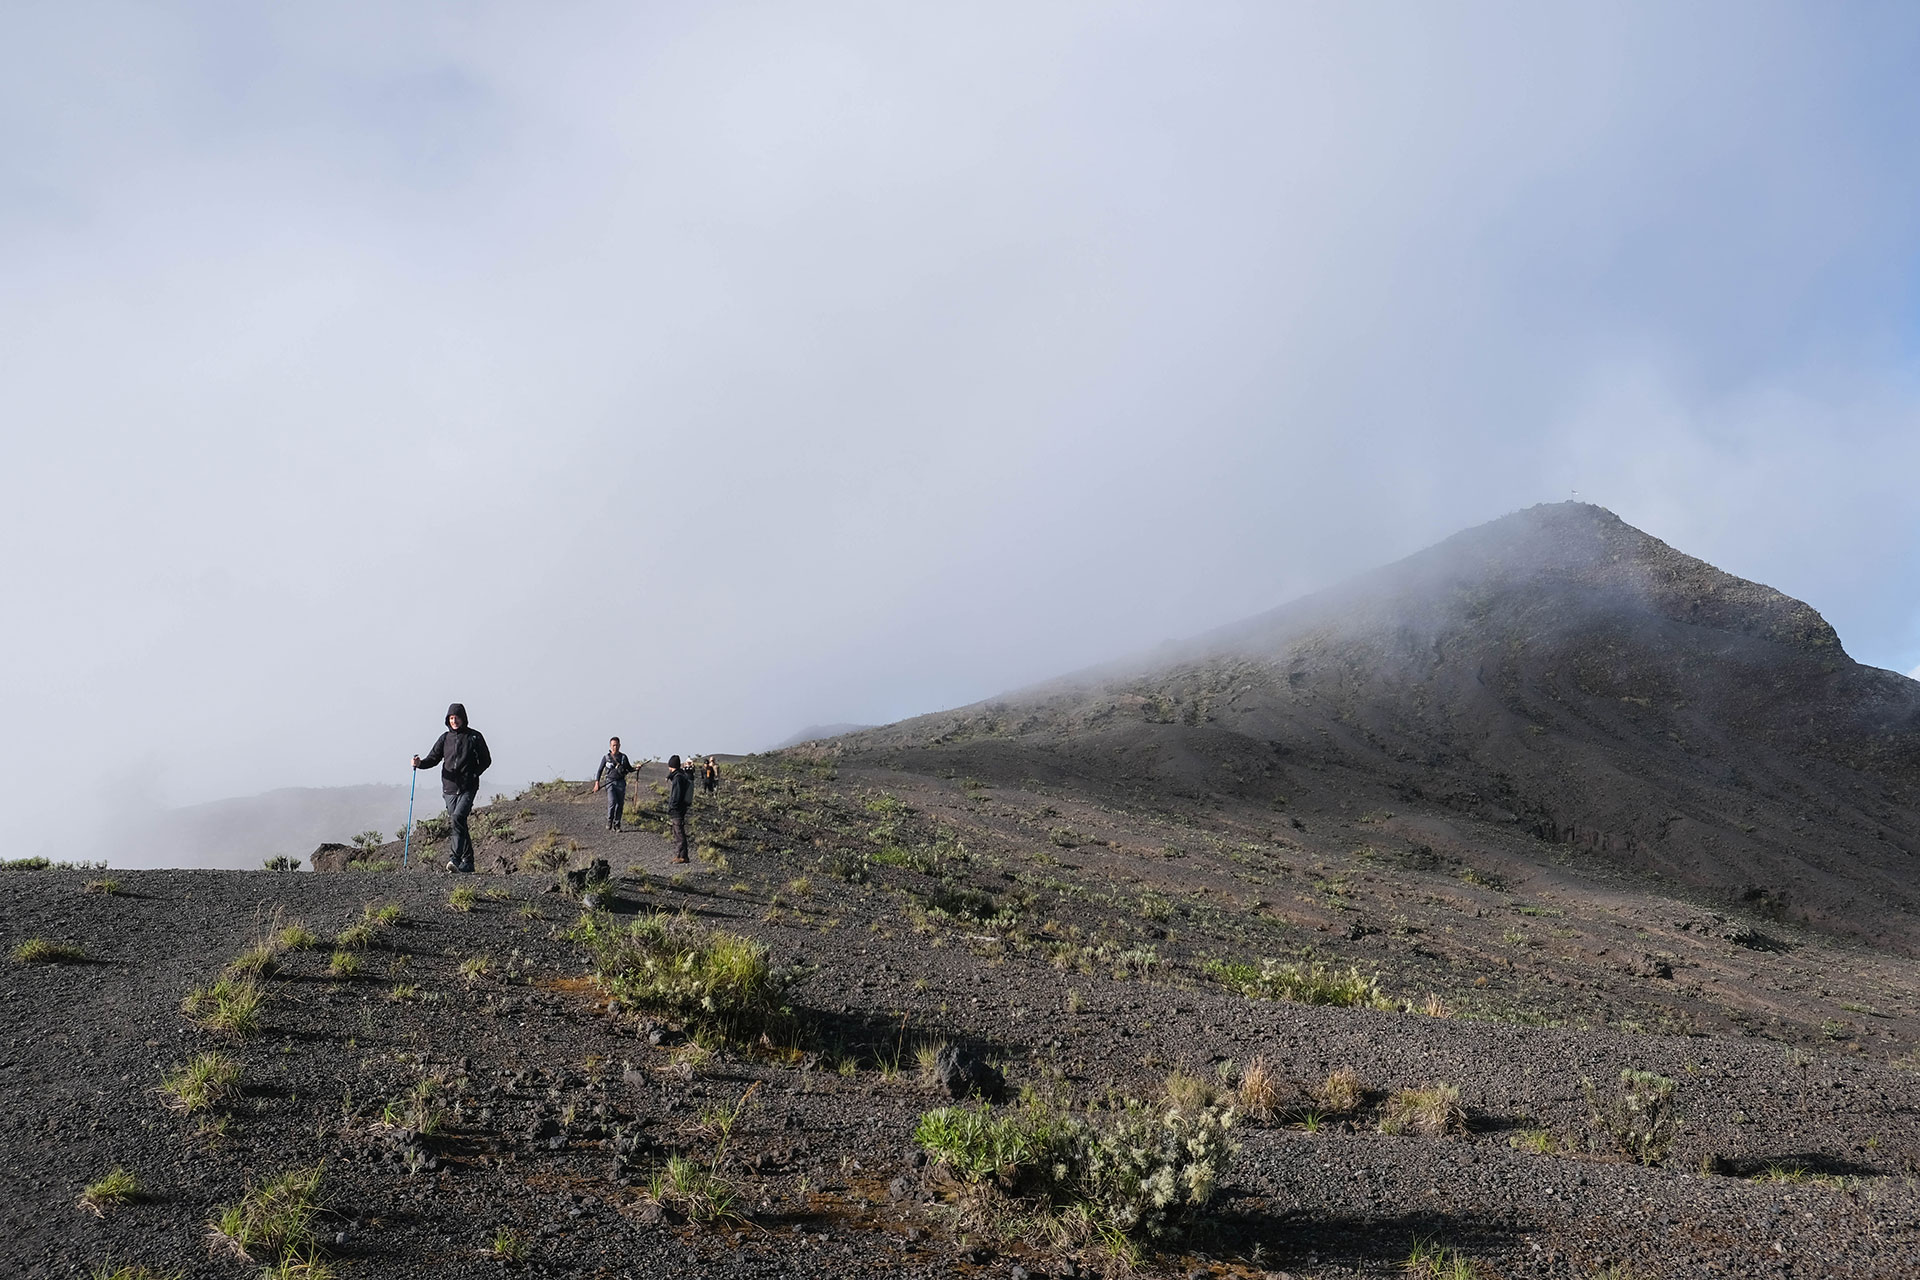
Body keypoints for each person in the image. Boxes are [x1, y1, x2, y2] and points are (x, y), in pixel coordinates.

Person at [412, 703, 492, 874]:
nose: (454, 720)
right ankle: (468, 862)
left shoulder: (474, 737)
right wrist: (419, 764)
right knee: (459, 822)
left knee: (457, 818)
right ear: (448, 720)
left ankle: (454, 858)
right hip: (449, 789)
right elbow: (433, 759)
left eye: (456, 717)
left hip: (468, 788)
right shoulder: (444, 738)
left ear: (463, 718)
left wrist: (474, 774)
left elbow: (486, 760)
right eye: (451, 718)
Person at [593, 737, 634, 831]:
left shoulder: (623, 757)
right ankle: (609, 820)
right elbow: (599, 770)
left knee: (620, 804)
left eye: (617, 745)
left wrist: (636, 768)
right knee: (612, 802)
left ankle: (617, 824)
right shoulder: (606, 758)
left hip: (621, 783)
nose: (615, 747)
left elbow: (629, 769)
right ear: (610, 746)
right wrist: (597, 783)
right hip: (609, 782)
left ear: (620, 745)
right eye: (613, 745)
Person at [665, 754, 693, 864]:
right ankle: (681, 855)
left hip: (677, 809)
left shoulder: (677, 779)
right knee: (678, 831)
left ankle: (682, 856)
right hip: (681, 807)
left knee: (678, 831)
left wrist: (672, 807)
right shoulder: (681, 775)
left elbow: (676, 796)